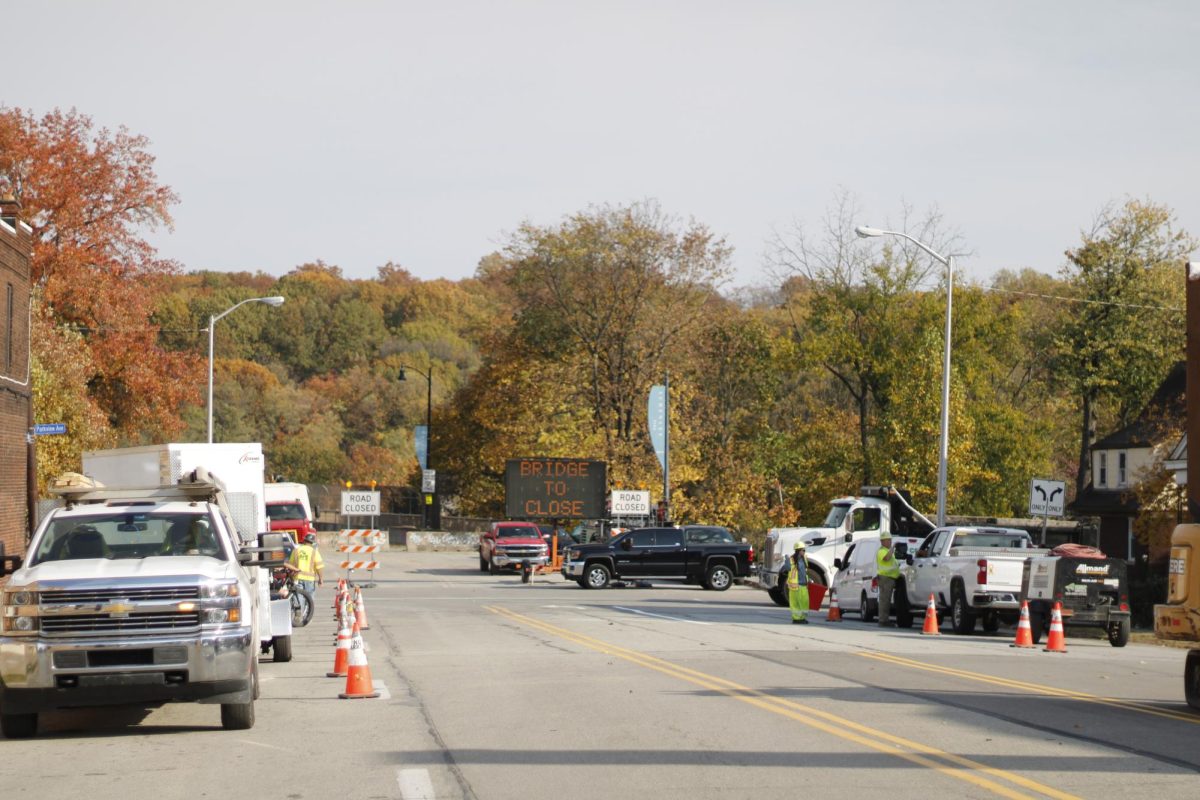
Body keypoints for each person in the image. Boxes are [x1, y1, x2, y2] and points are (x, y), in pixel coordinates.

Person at [876, 532, 901, 627]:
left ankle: (884, 620)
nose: (890, 542)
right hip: (885, 578)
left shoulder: (887, 550)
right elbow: (886, 558)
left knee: (886, 600)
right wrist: (893, 548)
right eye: (888, 540)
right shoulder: (882, 551)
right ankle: (883, 621)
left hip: (890, 578)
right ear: (882, 541)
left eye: (890, 540)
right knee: (885, 600)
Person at [787, 541, 810, 624]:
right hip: (795, 585)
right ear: (798, 550)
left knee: (804, 603)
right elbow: (787, 568)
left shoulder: (804, 559)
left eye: (804, 550)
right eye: (803, 550)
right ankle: (797, 618)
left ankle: (802, 618)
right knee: (796, 603)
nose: (804, 552)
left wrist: (808, 580)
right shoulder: (791, 560)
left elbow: (805, 571)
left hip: (803, 584)